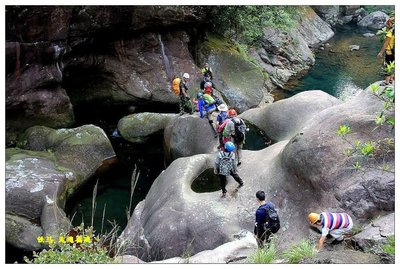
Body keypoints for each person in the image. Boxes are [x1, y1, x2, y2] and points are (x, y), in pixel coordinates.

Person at [377, 16, 395, 85]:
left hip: (389, 52)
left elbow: (386, 44)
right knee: (393, 65)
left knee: (388, 66)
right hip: (395, 53)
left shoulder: (390, 33)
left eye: (388, 23)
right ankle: (391, 79)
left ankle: (387, 82)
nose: (387, 25)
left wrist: (381, 52)